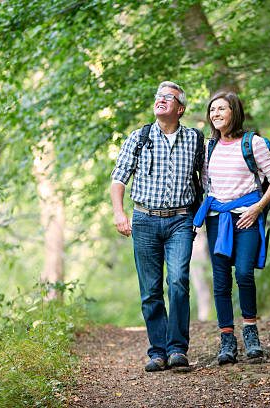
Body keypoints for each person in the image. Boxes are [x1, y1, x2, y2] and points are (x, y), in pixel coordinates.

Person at [110, 81, 204, 372]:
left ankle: (177, 349)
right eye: (158, 97)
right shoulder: (138, 137)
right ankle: (157, 352)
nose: (161, 100)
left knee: (177, 282)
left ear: (180, 108)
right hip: (144, 220)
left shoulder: (195, 139)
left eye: (168, 97)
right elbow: (118, 178)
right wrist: (118, 213)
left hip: (180, 220)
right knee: (150, 290)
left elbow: (207, 179)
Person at [193, 91, 270, 365]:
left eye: (221, 109)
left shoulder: (252, 143)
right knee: (220, 281)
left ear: (234, 111)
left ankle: (251, 333)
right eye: (212, 110)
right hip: (217, 219)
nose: (215, 114)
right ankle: (227, 340)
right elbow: (205, 184)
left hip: (247, 215)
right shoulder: (209, 147)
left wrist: (258, 208)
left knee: (244, 273)